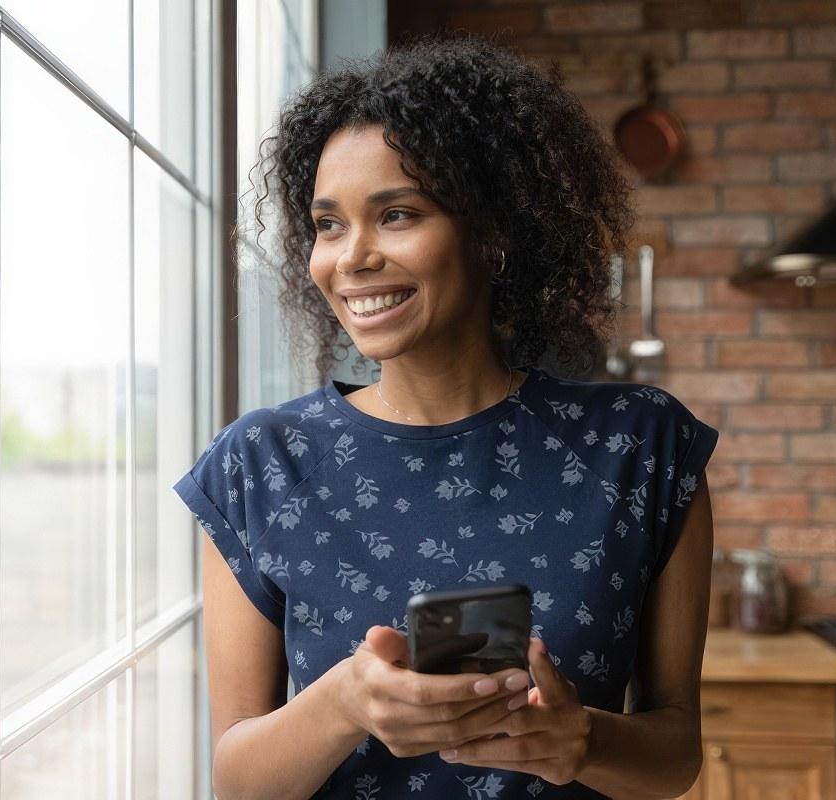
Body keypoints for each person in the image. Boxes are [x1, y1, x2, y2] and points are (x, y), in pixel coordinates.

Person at [172, 32, 718, 800]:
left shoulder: (643, 447)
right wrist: (343, 702)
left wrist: (581, 742)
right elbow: (239, 783)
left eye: (396, 214)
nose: (350, 256)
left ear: (493, 235)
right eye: (329, 224)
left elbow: (677, 751)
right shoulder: (260, 463)